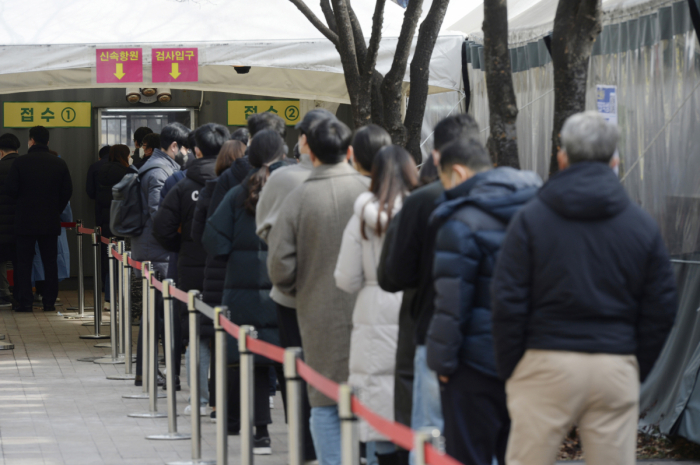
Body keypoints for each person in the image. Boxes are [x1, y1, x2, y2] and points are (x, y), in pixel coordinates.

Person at [492, 112, 678, 465]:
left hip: (544, 360)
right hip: (614, 364)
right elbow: (662, 305)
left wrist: (512, 368)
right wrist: (633, 362)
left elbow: (506, 301)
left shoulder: (530, 219)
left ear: (562, 157)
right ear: (615, 161)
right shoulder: (640, 226)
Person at [425, 137, 541, 465]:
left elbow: (450, 305)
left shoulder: (460, 222)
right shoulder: (541, 210)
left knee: (468, 456)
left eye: (444, 181)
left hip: (474, 366)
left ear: (458, 173)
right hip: (532, 361)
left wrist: (442, 364)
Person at [268, 118, 370, 465]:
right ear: (350, 150)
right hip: (369, 312)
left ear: (307, 148)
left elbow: (280, 266)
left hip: (315, 313)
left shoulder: (298, 197)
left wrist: (301, 287)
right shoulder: (370, 192)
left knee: (325, 400)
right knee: (370, 398)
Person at [379, 114, 480, 463]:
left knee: (430, 431)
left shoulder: (423, 201)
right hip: (498, 338)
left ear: (436, 156)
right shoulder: (516, 194)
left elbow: (392, 274)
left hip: (433, 332)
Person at [255, 108, 336, 463]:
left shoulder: (284, 180)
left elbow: (267, 235)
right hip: (349, 301)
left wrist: (285, 282)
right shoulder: (365, 183)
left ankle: (305, 447)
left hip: (295, 298)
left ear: (304, 140)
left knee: (299, 375)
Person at [203, 129, 289, 454]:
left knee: (253, 362)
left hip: (244, 294)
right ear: (284, 153)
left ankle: (262, 433)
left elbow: (213, 240)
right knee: (290, 363)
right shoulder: (295, 185)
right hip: (287, 289)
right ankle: (302, 436)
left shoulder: (240, 190)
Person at [334, 145, 417, 465]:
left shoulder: (363, 215)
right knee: (414, 403)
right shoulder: (422, 208)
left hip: (373, 305)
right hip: (415, 307)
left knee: (379, 410)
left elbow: (345, 278)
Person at [153, 123, 229, 405]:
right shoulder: (237, 184)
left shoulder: (181, 183)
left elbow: (161, 227)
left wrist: (181, 247)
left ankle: (199, 399)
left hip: (190, 269)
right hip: (226, 270)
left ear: (196, 150)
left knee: (197, 331)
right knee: (227, 331)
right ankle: (223, 399)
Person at [191, 138, 248, 422]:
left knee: (210, 338)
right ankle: (251, 403)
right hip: (247, 274)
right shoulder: (260, 186)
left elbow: (200, 233)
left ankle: (210, 402)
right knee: (245, 339)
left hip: (213, 271)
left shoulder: (211, 188)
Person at [131, 122, 189, 385]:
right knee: (158, 314)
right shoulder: (159, 171)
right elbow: (159, 213)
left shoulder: (160, 167)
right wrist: (177, 240)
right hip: (156, 251)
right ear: (174, 146)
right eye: (184, 147)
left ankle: (149, 370)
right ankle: (147, 370)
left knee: (156, 313)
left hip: (153, 248)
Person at [0, 126, 72, 313]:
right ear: (47, 142)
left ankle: (25, 303)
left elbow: (10, 189)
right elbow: (67, 191)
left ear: (31, 141)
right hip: (49, 220)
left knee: (23, 263)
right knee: (50, 262)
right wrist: (55, 209)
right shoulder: (59, 163)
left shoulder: (21, 163)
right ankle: (49, 302)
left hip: (24, 220)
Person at [95, 145, 131, 309]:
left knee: (110, 259)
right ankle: (125, 298)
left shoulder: (101, 171)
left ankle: (109, 298)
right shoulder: (127, 173)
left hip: (106, 220)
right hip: (124, 221)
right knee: (126, 260)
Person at [0, 133, 21, 308]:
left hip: (1, 224)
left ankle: (4, 294)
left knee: (0, 260)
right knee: (20, 260)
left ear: (1, 151)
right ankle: (21, 295)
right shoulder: (25, 166)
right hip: (21, 223)